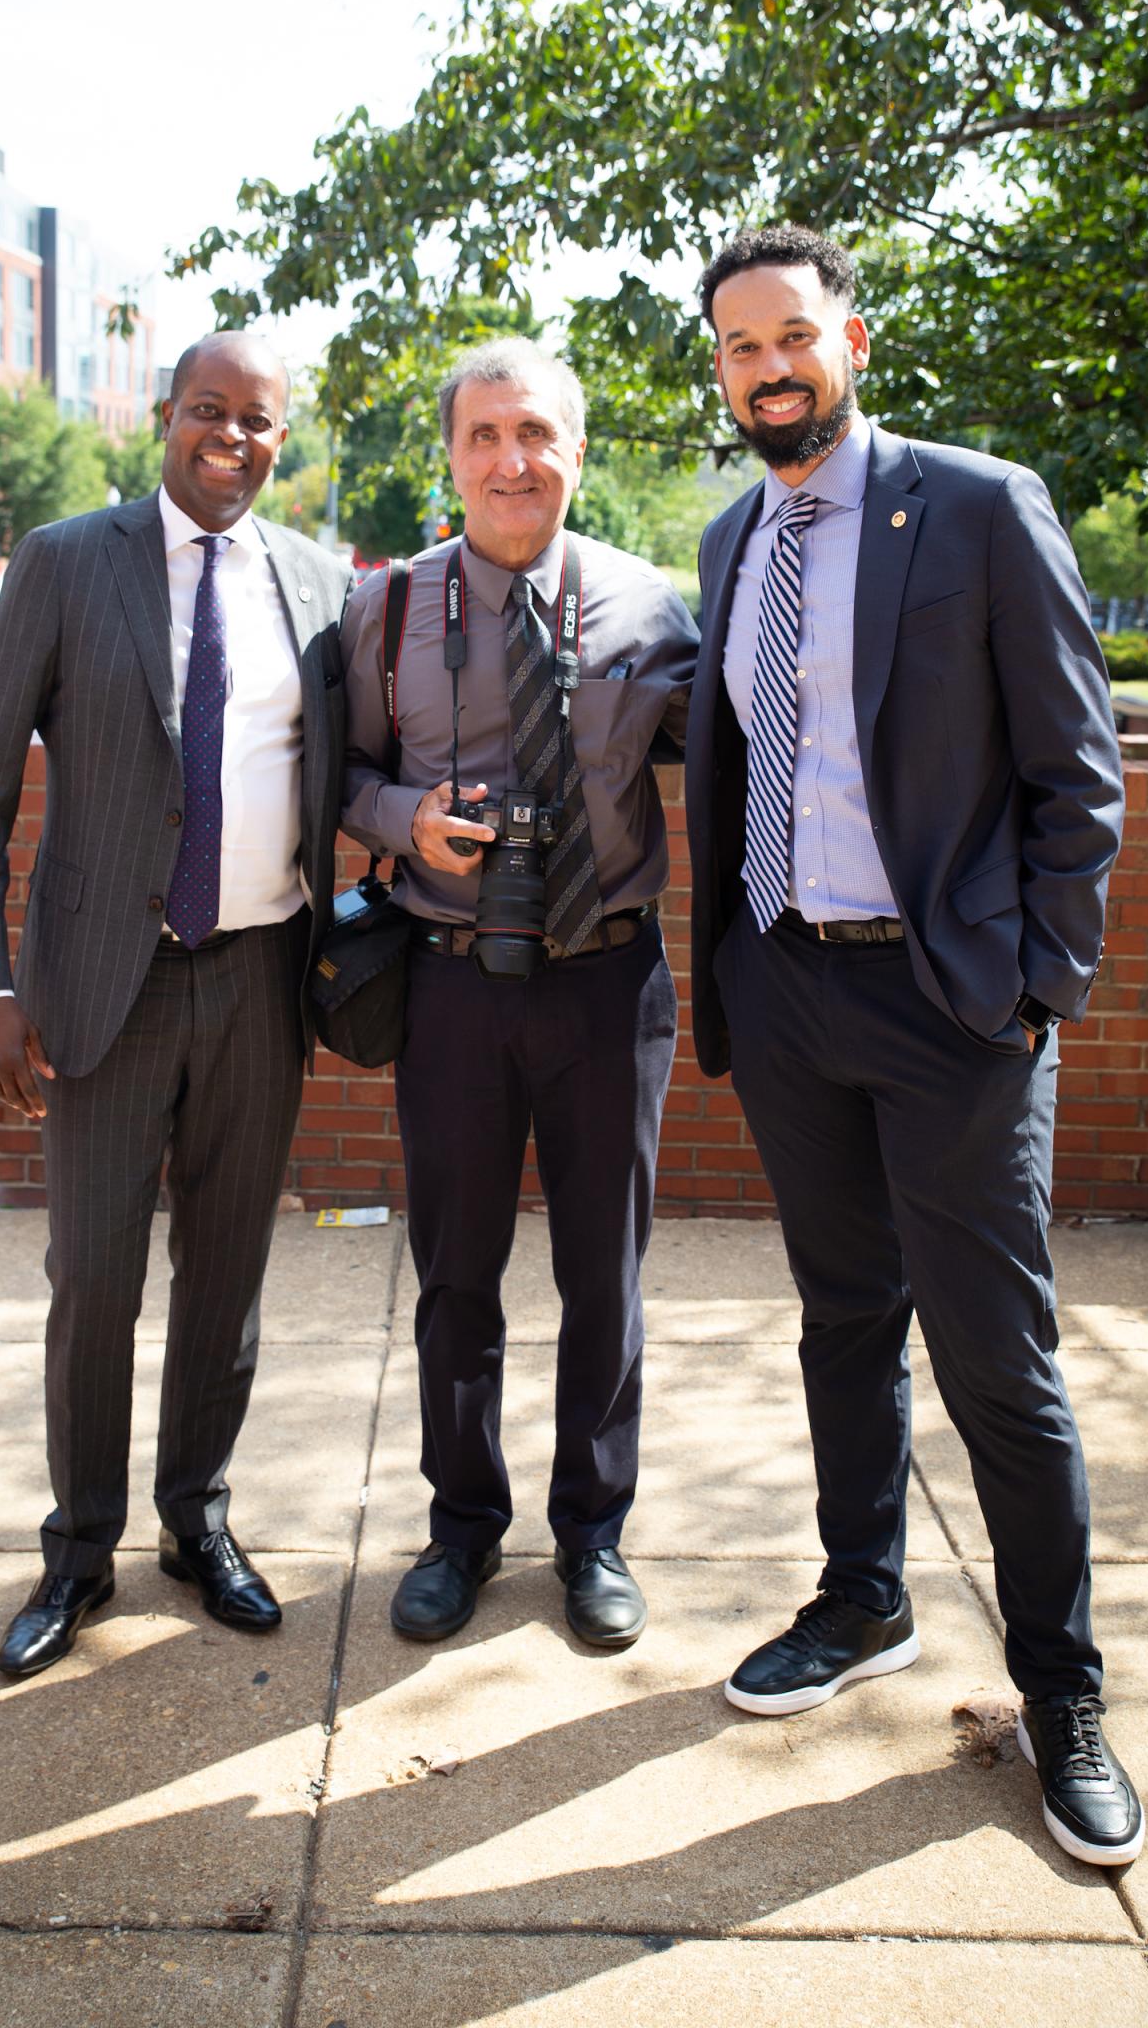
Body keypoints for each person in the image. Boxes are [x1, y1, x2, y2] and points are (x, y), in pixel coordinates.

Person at [684, 225, 1144, 1868]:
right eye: (739, 349)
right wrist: (739, 969)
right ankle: (863, 1598)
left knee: (999, 1370)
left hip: (954, 1006)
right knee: (842, 1322)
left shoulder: (976, 503)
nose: (767, 369)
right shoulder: (737, 537)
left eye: (791, 337)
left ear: (851, 340)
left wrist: (1043, 990)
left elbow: (1077, 774)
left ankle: (1064, 1693)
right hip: (795, 988)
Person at [0, 331, 351, 1679]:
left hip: (259, 977)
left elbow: (350, 770)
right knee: (93, 1280)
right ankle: (79, 1549)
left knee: (226, 1280)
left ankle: (197, 1522)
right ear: (164, 418)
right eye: (207, 412)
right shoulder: (67, 562)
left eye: (259, 421)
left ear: (284, 438)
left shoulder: (318, 581)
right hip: (101, 989)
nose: (231, 438)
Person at [343, 338, 697, 1648]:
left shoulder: (651, 603)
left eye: (537, 433)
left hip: (610, 985)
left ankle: (592, 1533)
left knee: (605, 1275)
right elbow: (340, 776)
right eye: (486, 435)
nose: (512, 460)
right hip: (450, 989)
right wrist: (402, 817)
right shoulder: (384, 612)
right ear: (451, 452)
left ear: (577, 451)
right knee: (457, 1278)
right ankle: (462, 1527)